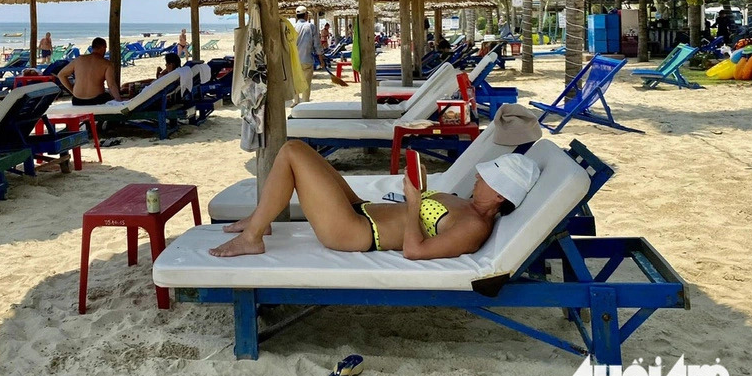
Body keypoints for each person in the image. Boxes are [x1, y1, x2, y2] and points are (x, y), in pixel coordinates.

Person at [210, 141, 539, 259]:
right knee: (303, 150)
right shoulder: (468, 205)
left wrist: (414, 203)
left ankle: (253, 237)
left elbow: (415, 251)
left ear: (499, 195)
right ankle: (259, 219)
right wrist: (418, 184)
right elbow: (425, 210)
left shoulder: (473, 226)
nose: (478, 177)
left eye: (486, 178)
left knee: (292, 152)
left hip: (354, 232)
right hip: (362, 209)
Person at [57, 37, 121, 106]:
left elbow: (61, 75)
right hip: (96, 100)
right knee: (108, 96)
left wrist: (72, 90)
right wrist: (119, 101)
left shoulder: (78, 60)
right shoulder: (107, 64)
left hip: (77, 101)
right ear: (103, 48)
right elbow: (111, 85)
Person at [292, 6, 325, 106]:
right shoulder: (310, 27)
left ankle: (296, 101)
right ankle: (305, 103)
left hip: (294, 61)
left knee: (295, 82)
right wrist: (321, 60)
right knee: (306, 84)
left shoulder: (292, 27)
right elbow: (317, 45)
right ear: (306, 15)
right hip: (306, 59)